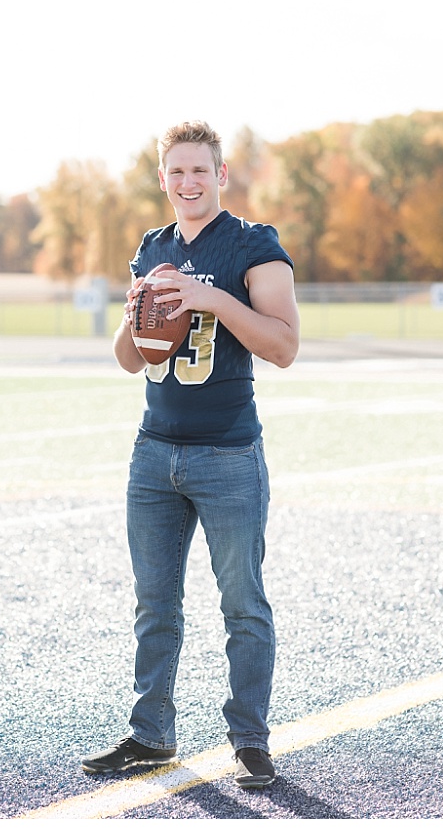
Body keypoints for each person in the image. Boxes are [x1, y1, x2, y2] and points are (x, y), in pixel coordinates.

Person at [81, 120, 299, 789]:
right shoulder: (151, 247)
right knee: (155, 604)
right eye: (176, 171)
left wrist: (213, 299)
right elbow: (127, 362)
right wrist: (135, 313)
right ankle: (151, 736)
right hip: (154, 454)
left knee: (242, 604)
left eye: (200, 170)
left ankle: (250, 741)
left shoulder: (253, 244)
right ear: (162, 179)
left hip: (228, 452)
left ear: (221, 176)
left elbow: (284, 345)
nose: (188, 182)